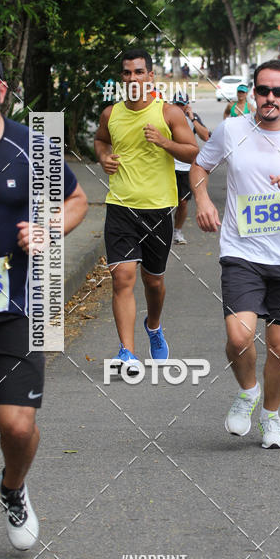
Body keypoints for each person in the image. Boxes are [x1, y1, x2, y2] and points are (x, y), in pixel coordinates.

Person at [0, 46, 88, 559]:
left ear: (1, 91)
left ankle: (12, 486)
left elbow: (76, 201)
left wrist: (49, 228)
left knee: (16, 426)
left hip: (16, 309)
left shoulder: (31, 148)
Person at [190, 59, 280, 449]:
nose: (270, 98)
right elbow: (199, 167)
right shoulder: (231, 129)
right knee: (239, 338)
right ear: (253, 92)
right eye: (263, 90)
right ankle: (248, 391)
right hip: (241, 252)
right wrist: (203, 200)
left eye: (279, 92)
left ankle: (271, 416)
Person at [94, 49, 199, 369]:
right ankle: (127, 351)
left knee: (153, 281)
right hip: (121, 205)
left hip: (159, 209)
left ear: (151, 76)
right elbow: (100, 141)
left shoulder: (168, 114)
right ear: (121, 78)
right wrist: (103, 157)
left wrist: (165, 142)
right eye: (127, 73)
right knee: (123, 277)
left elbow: (193, 152)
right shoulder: (110, 114)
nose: (133, 78)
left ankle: (153, 325)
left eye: (139, 72)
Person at [172, 92, 210, 244]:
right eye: (177, 104)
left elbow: (206, 136)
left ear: (187, 105)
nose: (180, 108)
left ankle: (177, 231)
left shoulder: (192, 118)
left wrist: (192, 118)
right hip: (168, 166)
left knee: (182, 202)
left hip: (186, 167)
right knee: (164, 202)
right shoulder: (166, 115)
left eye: (182, 105)